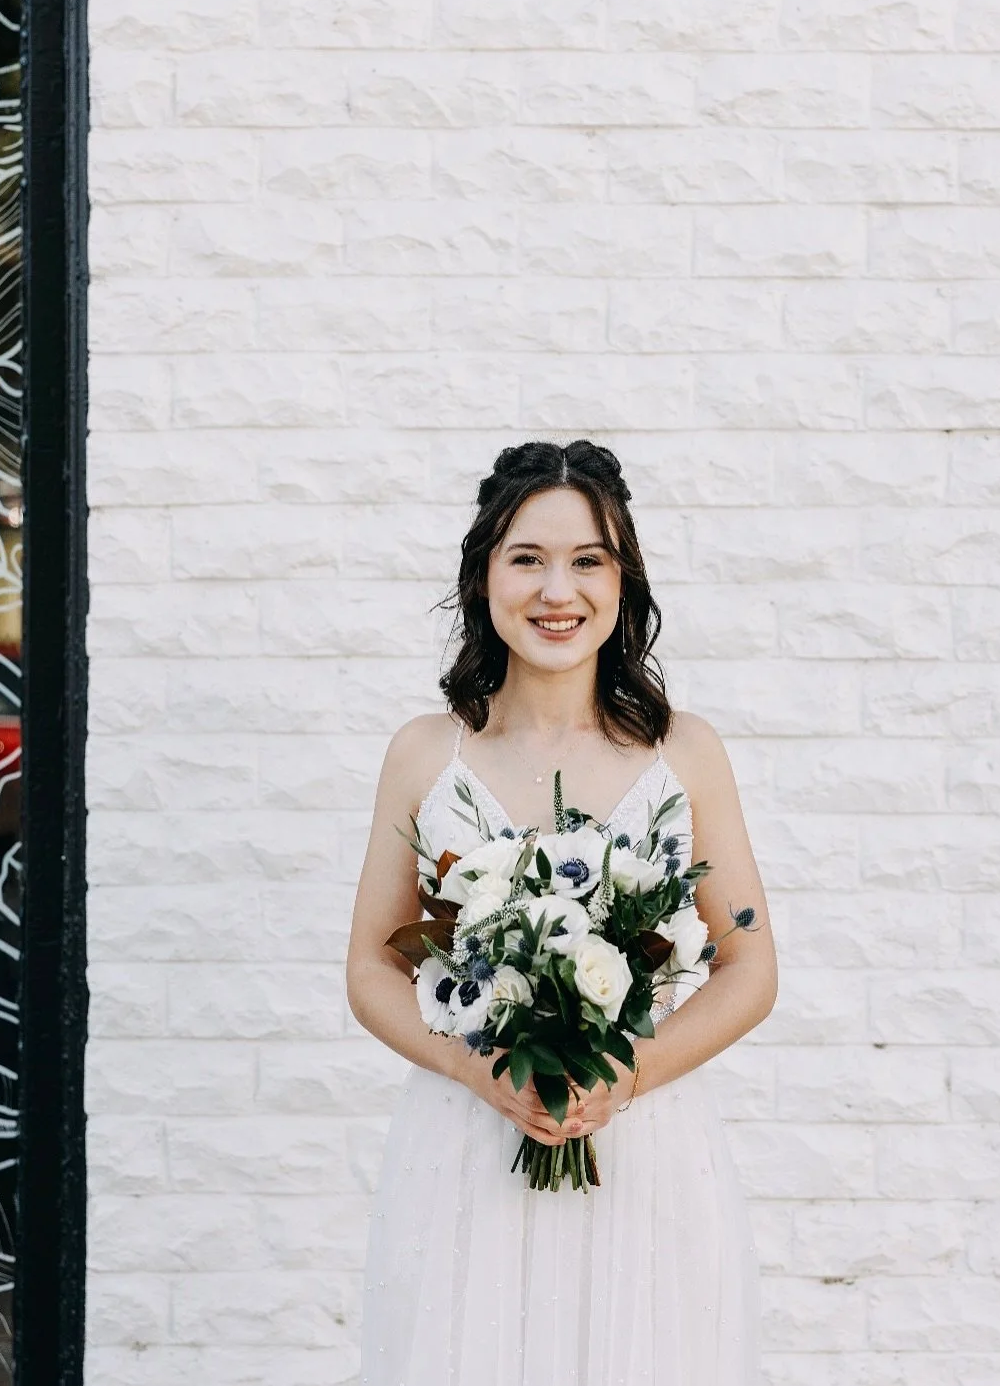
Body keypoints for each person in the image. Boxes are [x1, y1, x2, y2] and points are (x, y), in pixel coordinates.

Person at [346, 439, 777, 1385]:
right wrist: (474, 1065)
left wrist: (626, 1074)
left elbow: (750, 967)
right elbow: (373, 968)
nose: (558, 589)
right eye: (527, 558)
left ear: (622, 583)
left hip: (645, 1145)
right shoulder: (425, 755)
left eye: (588, 560)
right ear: (483, 576)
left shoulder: (684, 754)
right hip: (467, 1137)